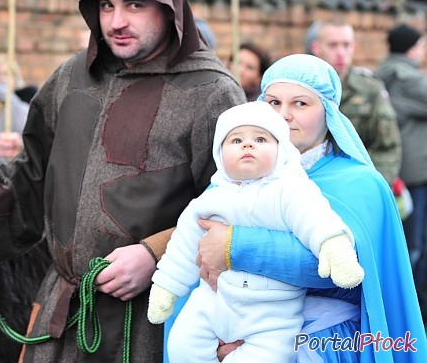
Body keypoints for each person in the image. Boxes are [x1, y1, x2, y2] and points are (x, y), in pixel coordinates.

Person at [0, 0, 246, 361]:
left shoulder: (212, 91)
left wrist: (155, 254)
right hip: (60, 315)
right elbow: (33, 174)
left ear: (169, 9)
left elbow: (237, 206)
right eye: (106, 5)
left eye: (134, 5)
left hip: (154, 321)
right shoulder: (71, 77)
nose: (116, 21)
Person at [189, 54, 426, 362]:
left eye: (300, 103)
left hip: (323, 343)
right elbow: (198, 250)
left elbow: (340, 270)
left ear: (327, 111)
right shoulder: (232, 179)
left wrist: (235, 245)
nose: (284, 115)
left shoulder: (360, 184)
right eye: (273, 102)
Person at [148, 101, 364, 362]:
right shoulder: (209, 200)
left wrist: (333, 247)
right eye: (236, 140)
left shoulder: (290, 192)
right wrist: (166, 287)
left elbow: (317, 221)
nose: (248, 145)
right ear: (220, 154)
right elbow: (182, 247)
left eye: (261, 139)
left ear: (280, 150)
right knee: (183, 345)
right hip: (214, 302)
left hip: (272, 314)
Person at [309, 19, 402, 188]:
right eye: (333, 45)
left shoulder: (370, 88)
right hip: (310, 184)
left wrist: (372, 186)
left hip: (357, 183)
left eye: (346, 45)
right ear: (316, 48)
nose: (341, 52)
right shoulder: (302, 88)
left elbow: (387, 147)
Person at [375, 22, 427, 311]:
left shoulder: (385, 73)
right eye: (421, 45)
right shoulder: (406, 77)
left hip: (402, 172)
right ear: (410, 48)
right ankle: (410, 304)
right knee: (414, 244)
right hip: (413, 174)